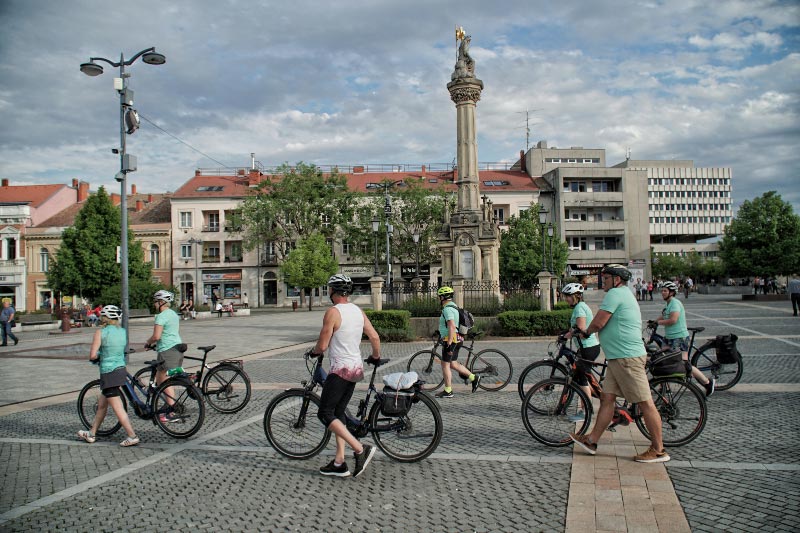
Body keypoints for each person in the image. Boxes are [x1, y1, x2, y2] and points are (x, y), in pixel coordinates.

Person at [571, 264, 669, 463]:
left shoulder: (616, 294)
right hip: (618, 358)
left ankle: (659, 449)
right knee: (607, 399)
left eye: (606, 278)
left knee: (645, 403)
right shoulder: (623, 293)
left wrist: (587, 332)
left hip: (627, 358)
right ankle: (592, 441)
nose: (603, 281)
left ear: (616, 279)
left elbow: (599, 322)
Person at [312, 274, 381, 478]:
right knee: (338, 414)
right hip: (356, 369)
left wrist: (314, 352)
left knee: (325, 413)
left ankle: (360, 449)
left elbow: (323, 345)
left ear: (333, 291)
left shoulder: (333, 312)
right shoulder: (358, 311)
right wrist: (375, 356)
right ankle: (339, 462)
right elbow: (375, 337)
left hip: (340, 370)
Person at [77, 305, 139, 447]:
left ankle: (132, 435)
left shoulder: (101, 333)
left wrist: (98, 357)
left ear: (104, 318)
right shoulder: (122, 332)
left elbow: (92, 355)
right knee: (102, 406)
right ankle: (91, 433)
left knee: (118, 408)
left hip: (108, 372)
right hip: (121, 369)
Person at [655, 281, 715, 396]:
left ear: (672, 293)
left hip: (679, 337)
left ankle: (707, 382)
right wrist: (654, 321)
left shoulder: (675, 303)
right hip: (669, 338)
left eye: (665, 291)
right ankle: (663, 385)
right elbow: (664, 315)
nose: (662, 293)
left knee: (683, 363)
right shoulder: (668, 304)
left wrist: (658, 323)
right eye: (662, 290)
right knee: (661, 359)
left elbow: (673, 319)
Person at [433, 286, 481, 399]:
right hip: (458, 338)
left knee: (445, 365)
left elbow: (452, 326)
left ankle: (448, 390)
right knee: (453, 363)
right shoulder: (453, 306)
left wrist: (449, 342)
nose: (438, 298)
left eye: (439, 296)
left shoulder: (447, 309)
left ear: (442, 297)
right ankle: (474, 377)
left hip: (451, 340)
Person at [144, 290, 184, 423]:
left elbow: (156, 336)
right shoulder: (173, 314)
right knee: (168, 380)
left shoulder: (161, 316)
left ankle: (171, 411)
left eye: (156, 301)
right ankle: (170, 406)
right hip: (177, 349)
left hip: (167, 350)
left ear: (161, 302)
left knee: (163, 382)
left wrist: (148, 342)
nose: (154, 304)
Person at [561, 283, 601, 406]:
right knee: (582, 378)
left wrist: (567, 335)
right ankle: (592, 402)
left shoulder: (579, 308)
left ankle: (585, 411)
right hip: (586, 347)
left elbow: (581, 330)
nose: (566, 298)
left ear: (577, 296)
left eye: (568, 296)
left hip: (588, 347)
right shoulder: (580, 307)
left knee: (582, 379)